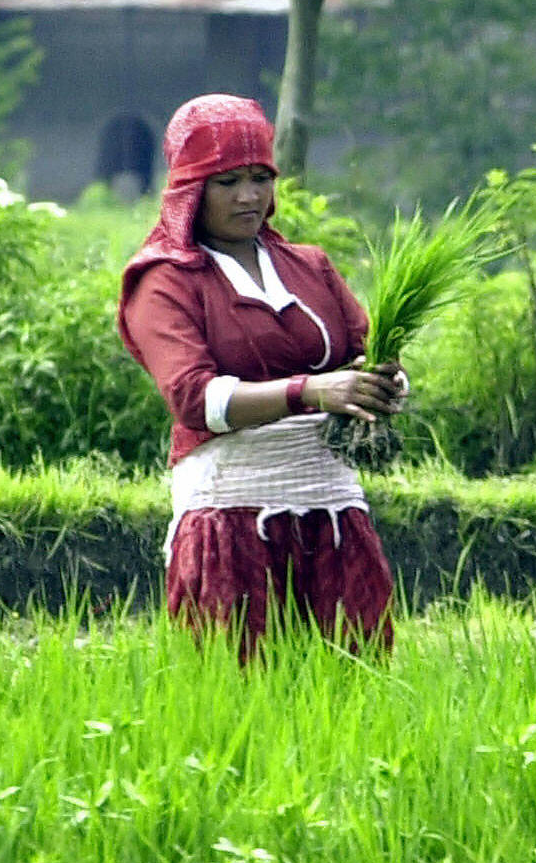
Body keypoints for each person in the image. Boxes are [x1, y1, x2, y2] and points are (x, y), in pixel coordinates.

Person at [116, 95, 403, 659]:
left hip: (333, 510)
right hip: (230, 514)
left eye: (259, 178)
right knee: (239, 679)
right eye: (226, 182)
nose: (248, 197)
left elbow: (359, 355)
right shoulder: (165, 282)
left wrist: (384, 385)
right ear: (190, 189)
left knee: (356, 675)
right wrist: (312, 391)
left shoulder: (309, 265)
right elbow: (194, 399)